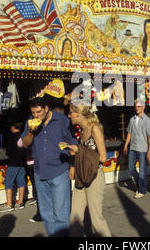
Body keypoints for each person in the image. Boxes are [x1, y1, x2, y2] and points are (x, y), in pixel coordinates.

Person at [22, 97, 77, 237]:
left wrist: (73, 165)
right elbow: (25, 144)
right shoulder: (30, 122)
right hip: (39, 172)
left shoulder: (62, 120)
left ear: (46, 109)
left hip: (59, 170)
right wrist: (31, 132)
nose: (35, 115)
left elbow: (73, 144)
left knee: (61, 213)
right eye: (33, 112)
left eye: (38, 112)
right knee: (46, 214)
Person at [67, 102, 111, 237]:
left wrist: (78, 150)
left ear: (78, 114)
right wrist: (73, 164)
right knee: (74, 217)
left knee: (96, 220)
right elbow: (84, 153)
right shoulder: (82, 130)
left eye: (70, 113)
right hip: (81, 175)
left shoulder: (94, 128)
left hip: (94, 175)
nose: (69, 116)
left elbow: (103, 157)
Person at [123, 99, 150, 199]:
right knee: (131, 169)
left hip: (142, 148)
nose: (137, 108)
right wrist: (126, 145)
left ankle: (142, 190)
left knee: (142, 171)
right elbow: (129, 133)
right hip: (132, 147)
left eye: (139, 106)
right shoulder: (132, 119)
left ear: (143, 107)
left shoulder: (147, 120)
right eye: (136, 106)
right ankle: (141, 185)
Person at [0, 122, 27, 212]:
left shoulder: (12, 137)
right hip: (22, 162)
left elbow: (8, 150)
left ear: (13, 127)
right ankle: (20, 202)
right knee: (21, 181)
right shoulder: (24, 135)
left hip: (13, 162)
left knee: (8, 182)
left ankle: (9, 204)